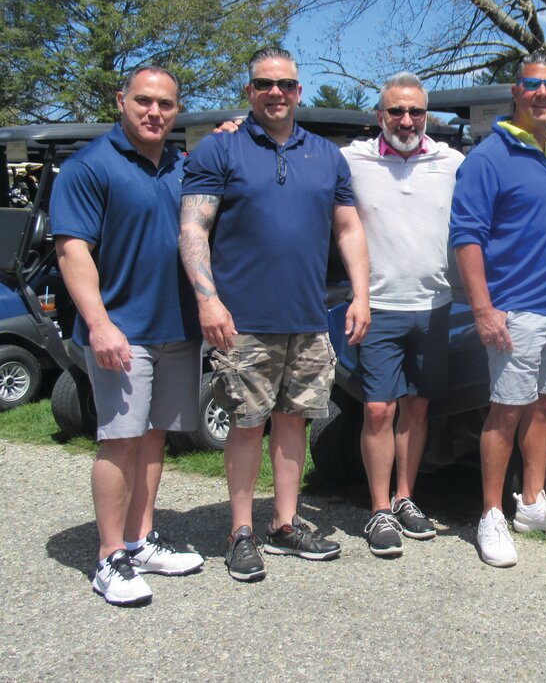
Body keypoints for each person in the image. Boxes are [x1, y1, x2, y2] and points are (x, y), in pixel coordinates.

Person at [179, 46, 370, 582]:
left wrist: (361, 295)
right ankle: (240, 530)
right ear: (250, 91)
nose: (276, 93)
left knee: (295, 422)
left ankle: (284, 525)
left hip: (309, 318)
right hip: (242, 321)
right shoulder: (221, 150)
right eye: (264, 84)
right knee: (246, 424)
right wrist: (207, 298)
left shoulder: (326, 156)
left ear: (299, 91)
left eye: (285, 84)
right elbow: (194, 227)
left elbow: (349, 229)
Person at [51, 66, 204, 606]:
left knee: (155, 434)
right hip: (121, 331)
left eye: (165, 103)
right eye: (143, 100)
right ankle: (108, 557)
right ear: (121, 100)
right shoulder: (88, 167)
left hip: (176, 327)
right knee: (118, 441)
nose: (154, 112)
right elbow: (73, 252)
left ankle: (140, 541)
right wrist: (99, 324)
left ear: (177, 109)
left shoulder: (183, 167)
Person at [450, 50, 546, 568]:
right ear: (515, 91)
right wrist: (483, 308)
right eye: (532, 85)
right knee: (505, 412)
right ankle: (490, 514)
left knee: (545, 406)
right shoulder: (488, 158)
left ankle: (530, 503)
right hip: (515, 312)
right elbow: (466, 238)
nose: (542, 94)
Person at [341, 73, 464, 557]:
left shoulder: (452, 162)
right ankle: (378, 509)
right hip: (377, 307)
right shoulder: (352, 159)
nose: (406, 120)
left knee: (417, 407)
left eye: (415, 112)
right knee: (377, 408)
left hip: (435, 308)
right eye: (396, 111)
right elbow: (293, 149)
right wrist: (231, 128)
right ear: (380, 116)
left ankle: (406, 497)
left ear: (427, 116)